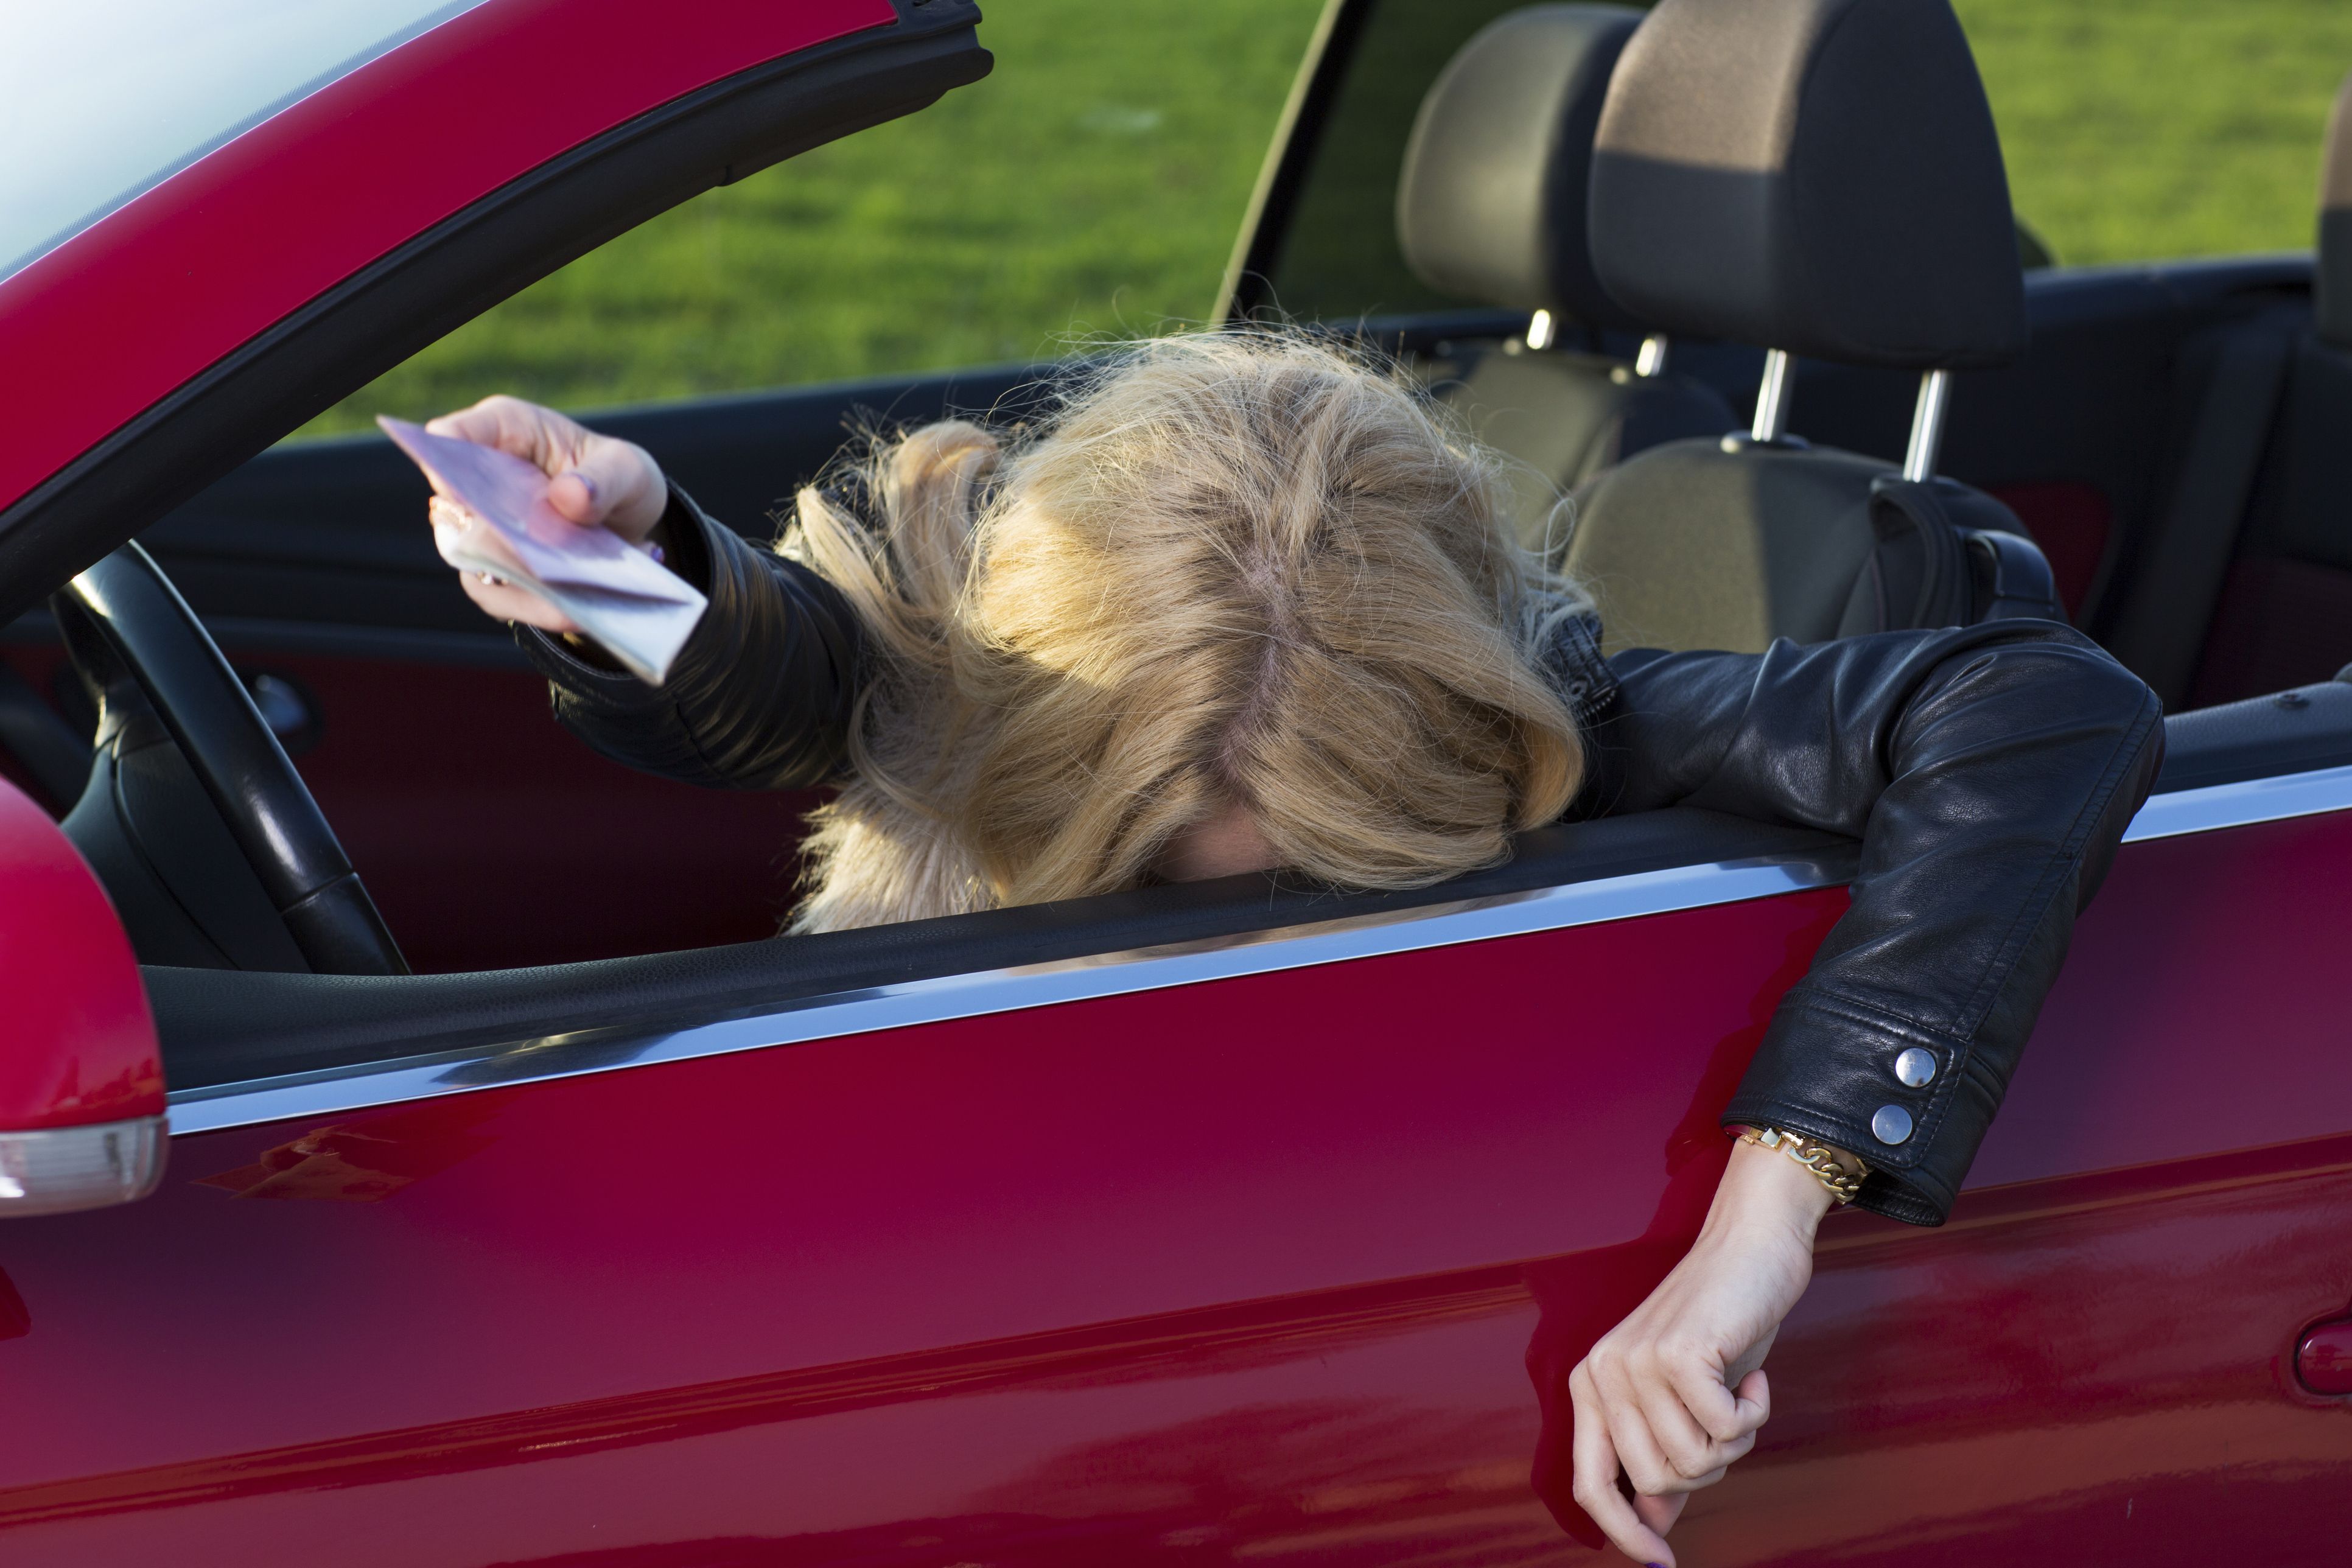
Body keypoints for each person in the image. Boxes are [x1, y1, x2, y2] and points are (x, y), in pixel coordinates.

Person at [421, 331, 2161, 1566]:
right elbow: (831, 683)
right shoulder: (979, 687)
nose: (1217, 924)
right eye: (1156, 878)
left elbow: (2037, 706)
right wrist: (621, 567)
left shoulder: (1571, 728)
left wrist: (1764, 1227)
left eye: (1303, 883)